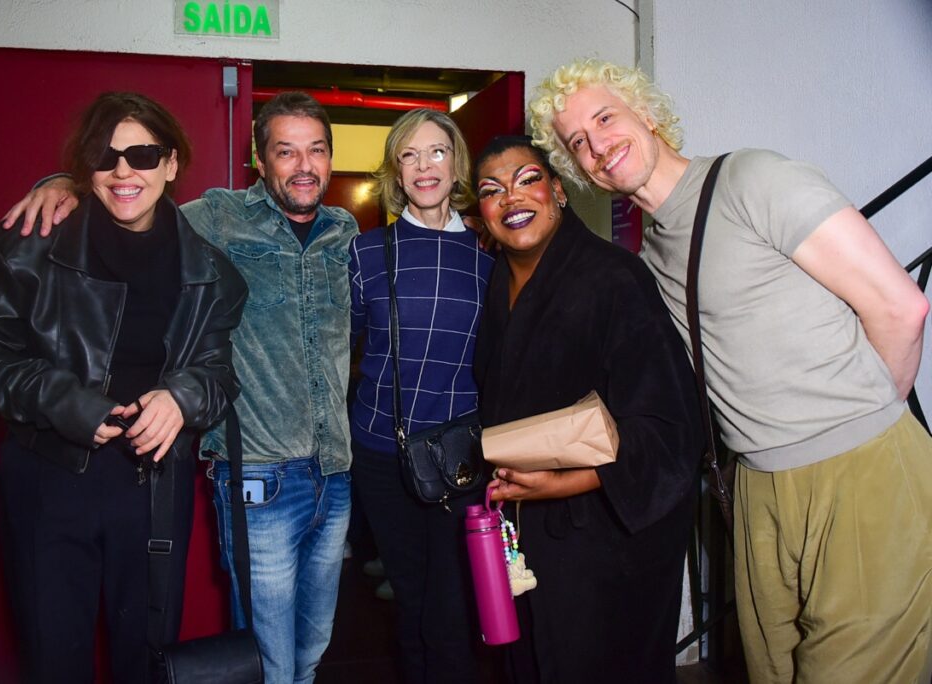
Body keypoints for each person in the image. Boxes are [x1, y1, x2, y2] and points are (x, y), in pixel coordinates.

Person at [529, 58, 932, 684]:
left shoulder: (753, 178)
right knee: (770, 671)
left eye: (605, 118)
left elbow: (902, 308)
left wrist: (860, 433)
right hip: (755, 487)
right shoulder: (651, 250)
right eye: (577, 141)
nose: (597, 145)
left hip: (860, 469)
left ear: (648, 113)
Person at [0, 91, 359, 684]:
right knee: (269, 659)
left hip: (334, 469)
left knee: (314, 646)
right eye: (285, 151)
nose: (303, 165)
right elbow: (128, 196)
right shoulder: (216, 216)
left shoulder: (345, 232)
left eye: (316, 150)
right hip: (259, 475)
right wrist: (62, 182)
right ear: (258, 159)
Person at [0, 91, 247, 684]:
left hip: (153, 491)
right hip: (48, 484)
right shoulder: (24, 247)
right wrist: (70, 404)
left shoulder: (212, 272)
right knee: (54, 658)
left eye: (142, 154)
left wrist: (182, 397)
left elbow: (219, 375)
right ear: (86, 166)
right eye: (105, 155)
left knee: (146, 662)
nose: (123, 171)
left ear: (170, 164)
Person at [473, 135, 701, 683]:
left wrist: (559, 483)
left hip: (604, 537)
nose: (511, 197)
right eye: (490, 190)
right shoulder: (496, 283)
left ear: (558, 191)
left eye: (527, 180)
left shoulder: (614, 278)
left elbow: (670, 429)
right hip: (530, 531)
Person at [348, 108, 494, 683]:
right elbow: (345, 348)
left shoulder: (490, 257)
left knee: (455, 603)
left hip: (462, 456)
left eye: (436, 151)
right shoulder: (365, 253)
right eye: (409, 155)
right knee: (409, 600)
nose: (423, 166)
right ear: (396, 171)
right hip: (382, 452)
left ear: (455, 162)